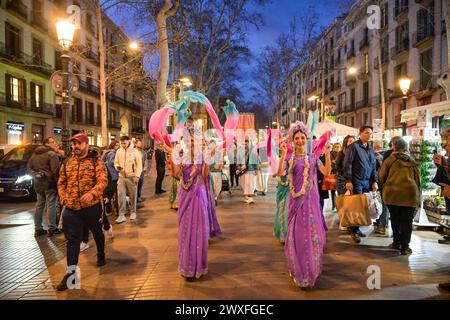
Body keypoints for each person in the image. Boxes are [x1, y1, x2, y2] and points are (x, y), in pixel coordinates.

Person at [56, 133, 108, 291]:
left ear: (86, 144)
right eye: (73, 144)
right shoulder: (67, 162)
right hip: (72, 209)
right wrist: (64, 199)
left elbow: (103, 180)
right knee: (72, 241)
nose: (75, 147)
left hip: (91, 207)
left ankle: (100, 253)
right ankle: (71, 275)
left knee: (97, 232)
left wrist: (93, 193)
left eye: (78, 144)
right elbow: (61, 183)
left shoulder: (95, 160)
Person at [284, 121, 331, 289]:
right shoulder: (289, 159)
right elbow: (282, 175)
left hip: (310, 201)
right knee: (296, 234)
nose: (299, 141)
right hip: (295, 201)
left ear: (307, 139)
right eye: (296, 138)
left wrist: (328, 153)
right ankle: (297, 270)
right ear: (292, 139)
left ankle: (310, 271)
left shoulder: (312, 158)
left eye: (302, 137)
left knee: (311, 234)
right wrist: (283, 155)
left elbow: (326, 172)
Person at [173, 127, 210, 279]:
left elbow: (205, 175)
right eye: (189, 139)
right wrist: (178, 162)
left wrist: (206, 159)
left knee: (199, 229)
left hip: (198, 194)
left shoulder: (202, 155)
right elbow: (175, 175)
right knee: (185, 228)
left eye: (195, 139)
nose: (192, 142)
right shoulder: (180, 153)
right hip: (185, 193)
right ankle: (186, 266)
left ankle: (198, 266)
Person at [379, 138, 420, 255]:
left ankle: (396, 242)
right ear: (406, 148)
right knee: (407, 221)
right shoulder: (412, 161)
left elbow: (381, 177)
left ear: (395, 148)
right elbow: (418, 181)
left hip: (392, 194)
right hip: (410, 195)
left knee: (395, 219)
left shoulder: (389, 160)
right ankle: (405, 247)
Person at [344, 125, 378, 244]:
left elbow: (373, 166)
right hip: (356, 181)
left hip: (367, 181)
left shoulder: (370, 148)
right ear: (360, 133)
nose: (369, 135)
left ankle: (357, 228)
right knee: (356, 206)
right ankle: (354, 230)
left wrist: (375, 181)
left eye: (370, 133)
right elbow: (348, 164)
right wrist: (348, 180)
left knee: (363, 207)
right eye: (367, 133)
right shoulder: (354, 147)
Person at [27, 137, 62, 237]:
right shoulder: (51, 154)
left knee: (39, 205)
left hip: (38, 184)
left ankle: (38, 229)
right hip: (49, 184)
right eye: (53, 142)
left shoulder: (34, 154)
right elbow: (55, 171)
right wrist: (58, 184)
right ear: (47, 143)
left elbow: (28, 169)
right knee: (51, 205)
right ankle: (52, 228)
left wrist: (36, 174)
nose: (55, 143)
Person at [114, 136, 143, 223]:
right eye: (121, 143)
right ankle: (121, 215)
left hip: (132, 176)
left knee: (133, 195)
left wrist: (137, 176)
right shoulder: (119, 151)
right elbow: (116, 162)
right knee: (120, 196)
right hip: (121, 176)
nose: (123, 145)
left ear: (128, 142)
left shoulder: (135, 151)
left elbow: (139, 164)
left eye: (124, 143)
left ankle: (133, 212)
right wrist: (117, 167)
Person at [274, 138, 290, 244]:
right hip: (284, 189)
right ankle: (285, 234)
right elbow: (279, 173)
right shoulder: (285, 158)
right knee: (284, 210)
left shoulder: (302, 157)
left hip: (296, 190)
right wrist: (283, 155)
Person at [238, 139, 257, 204]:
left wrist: (256, 169)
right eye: (244, 144)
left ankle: (249, 197)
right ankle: (247, 197)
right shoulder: (240, 151)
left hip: (251, 169)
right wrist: (238, 167)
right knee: (245, 184)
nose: (245, 145)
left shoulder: (253, 151)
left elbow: (255, 160)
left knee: (251, 184)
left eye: (246, 144)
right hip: (243, 170)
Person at [135, 138, 148, 203]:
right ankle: (134, 197)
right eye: (139, 143)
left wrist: (144, 169)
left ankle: (138, 196)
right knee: (135, 184)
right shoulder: (133, 151)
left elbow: (146, 161)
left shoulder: (143, 153)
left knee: (140, 184)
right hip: (134, 171)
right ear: (136, 144)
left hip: (141, 171)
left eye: (141, 143)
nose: (140, 144)